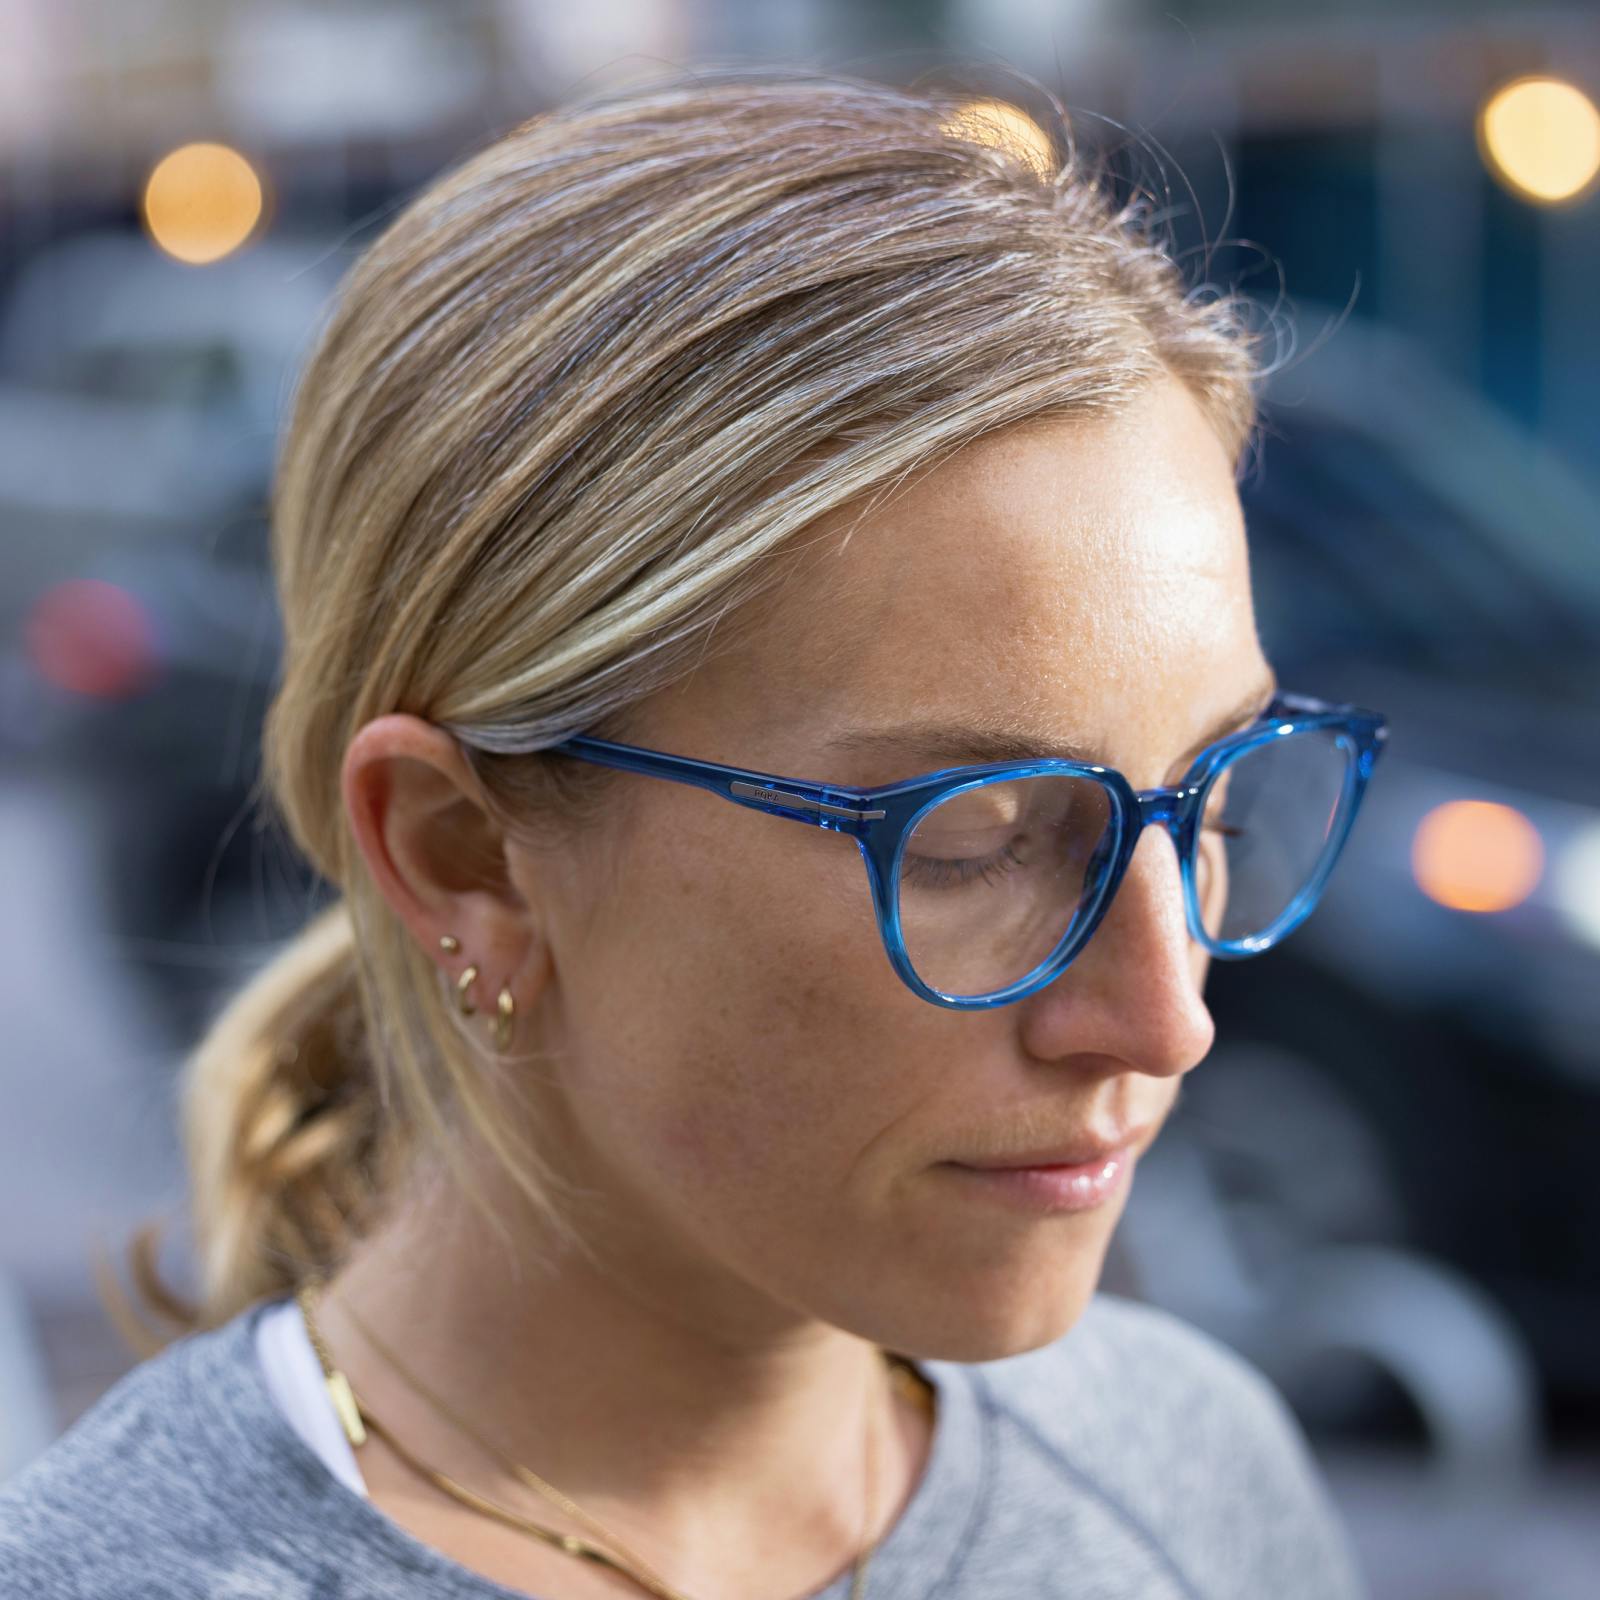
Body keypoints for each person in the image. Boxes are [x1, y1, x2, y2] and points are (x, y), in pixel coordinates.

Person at [0, 62, 1380, 1600]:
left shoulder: (1185, 1476)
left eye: (1215, 794)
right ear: (465, 854)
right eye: (979, 834)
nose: (1167, 1015)